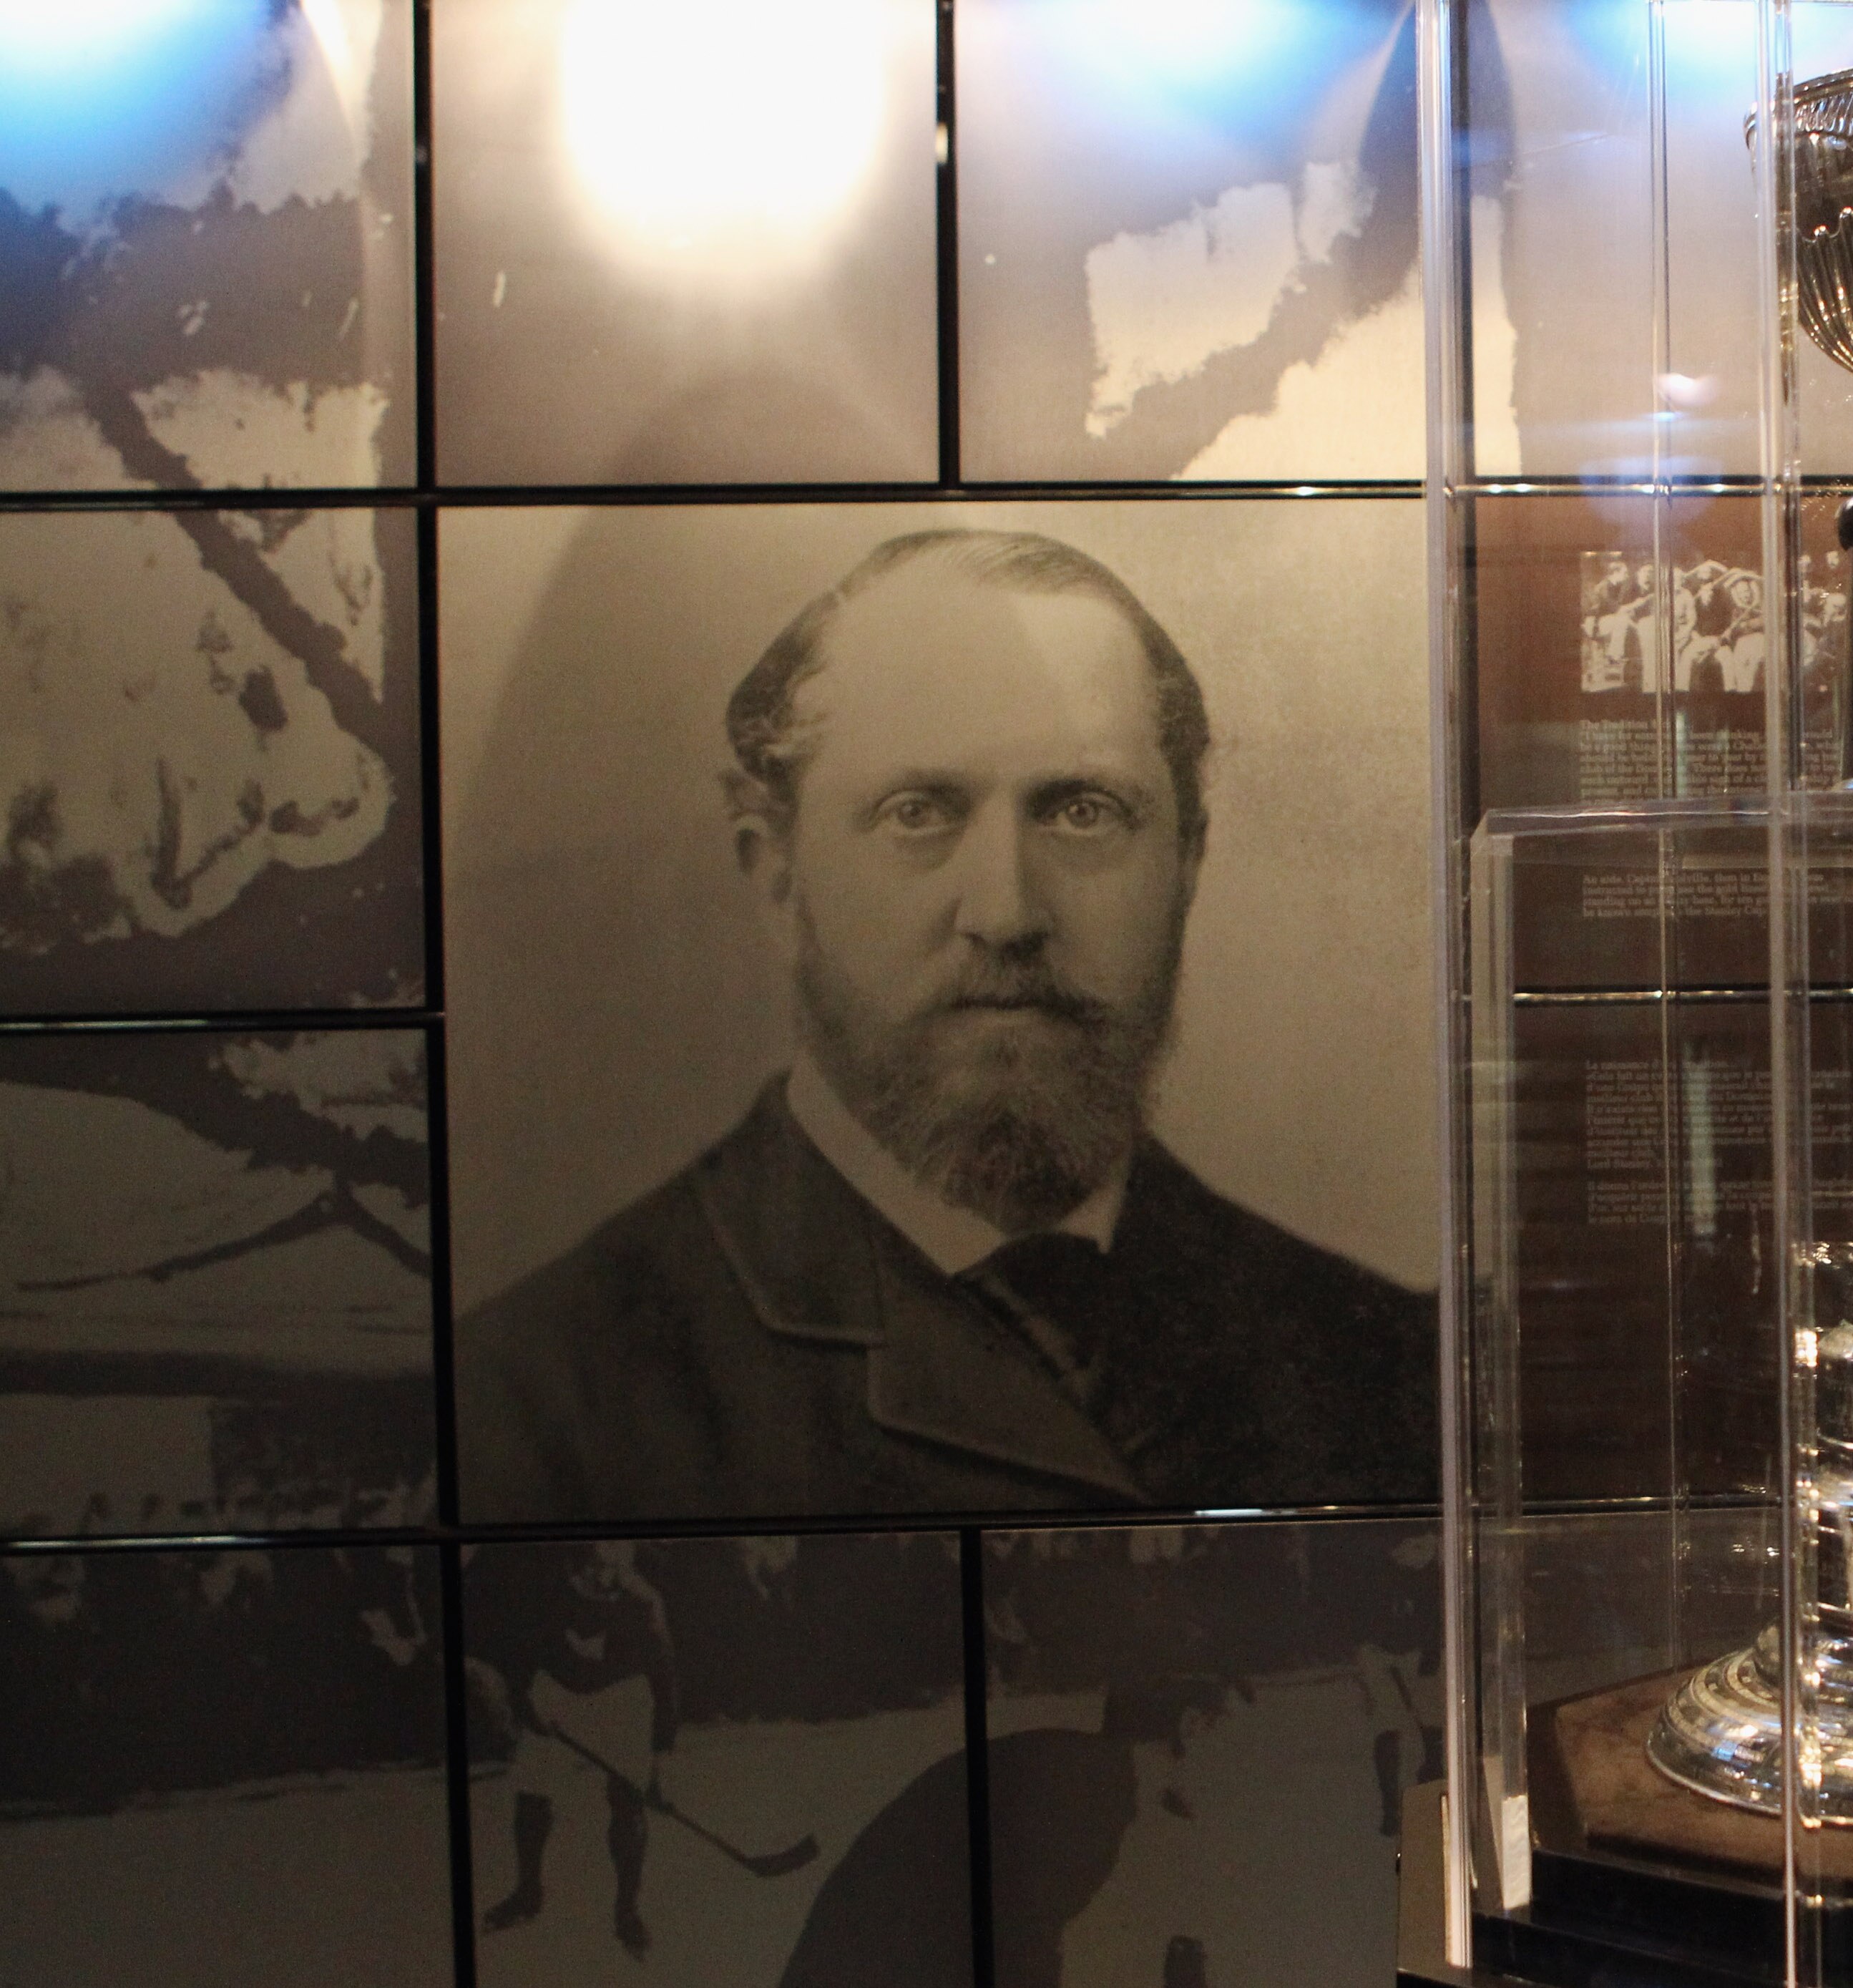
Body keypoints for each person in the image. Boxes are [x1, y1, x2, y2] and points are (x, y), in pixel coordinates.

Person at [456, 530, 1437, 1522]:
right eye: (917, 812)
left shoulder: (1390, 1368)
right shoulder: (539, 1405)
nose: (1006, 913)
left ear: (1186, 861)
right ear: (772, 865)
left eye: (1083, 812)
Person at [467, 1544, 681, 1961]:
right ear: (573, 1568)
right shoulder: (546, 1593)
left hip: (622, 1696)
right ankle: (528, 1893)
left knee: (627, 1800)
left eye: (620, 1569)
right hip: (557, 1690)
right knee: (531, 1794)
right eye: (598, 1568)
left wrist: (659, 1761)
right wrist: (529, 1703)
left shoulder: (644, 1604)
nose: (609, 1579)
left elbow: (664, 1680)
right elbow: (517, 1652)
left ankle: (627, 1911)